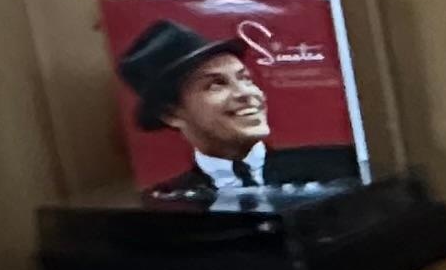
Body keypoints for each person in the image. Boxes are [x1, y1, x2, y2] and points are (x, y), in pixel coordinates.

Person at [114, 19, 360, 199]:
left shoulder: (341, 167)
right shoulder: (167, 201)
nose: (246, 93)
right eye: (216, 84)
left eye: (245, 78)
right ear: (171, 114)